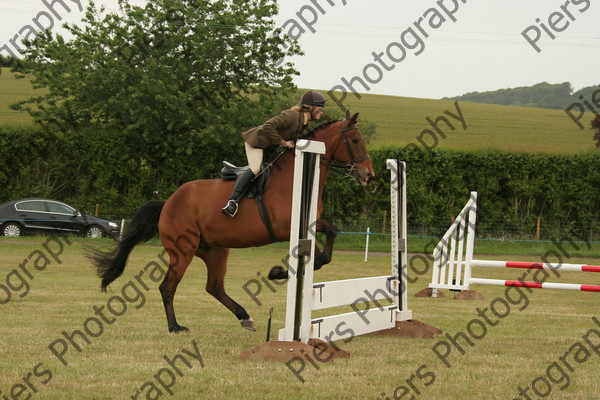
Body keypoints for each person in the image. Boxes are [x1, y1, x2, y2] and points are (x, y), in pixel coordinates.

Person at [221, 90, 326, 217]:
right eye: (320, 109)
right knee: (255, 169)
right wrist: (282, 142)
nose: (321, 112)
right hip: (257, 141)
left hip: (268, 148)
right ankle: (231, 202)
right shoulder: (291, 115)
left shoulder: (304, 124)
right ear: (310, 108)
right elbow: (268, 126)